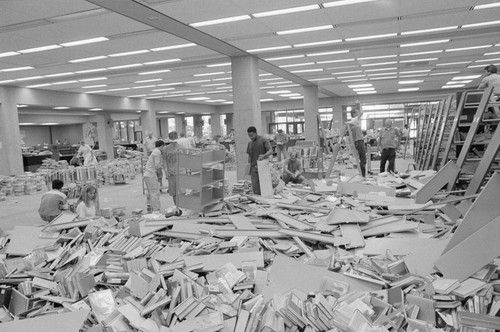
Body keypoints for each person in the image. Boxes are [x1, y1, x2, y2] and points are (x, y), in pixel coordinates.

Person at [246, 126, 273, 195]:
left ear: (256, 133)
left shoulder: (263, 140)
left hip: (262, 166)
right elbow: (249, 156)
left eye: (252, 135)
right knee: (255, 187)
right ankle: (257, 201)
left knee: (264, 187)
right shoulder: (250, 143)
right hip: (253, 167)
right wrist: (248, 167)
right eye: (249, 136)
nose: (251, 137)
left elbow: (270, 150)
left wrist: (264, 156)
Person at [346, 100, 367, 178]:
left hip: (358, 141)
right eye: (357, 112)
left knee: (362, 159)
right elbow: (362, 112)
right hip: (359, 141)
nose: (359, 113)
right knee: (363, 159)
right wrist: (359, 104)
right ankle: (363, 175)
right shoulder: (355, 120)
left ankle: (362, 174)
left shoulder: (353, 121)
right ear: (354, 114)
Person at [163, 131, 182, 215]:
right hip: (171, 173)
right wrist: (166, 171)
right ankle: (177, 207)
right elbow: (164, 160)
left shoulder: (182, 147)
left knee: (182, 191)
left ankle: (182, 207)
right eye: (172, 141)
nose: (173, 143)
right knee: (174, 192)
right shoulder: (166, 149)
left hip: (181, 172)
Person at [144, 140, 164, 212]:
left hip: (148, 174)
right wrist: (160, 175)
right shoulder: (157, 152)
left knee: (151, 193)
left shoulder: (154, 151)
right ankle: (156, 210)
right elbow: (157, 165)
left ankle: (152, 209)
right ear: (162, 146)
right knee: (155, 193)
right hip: (151, 174)